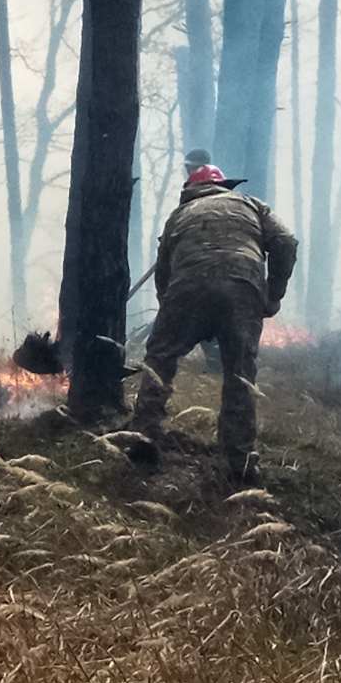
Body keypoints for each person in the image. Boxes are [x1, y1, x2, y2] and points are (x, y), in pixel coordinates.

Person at [130, 163, 298, 484]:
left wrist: (174, 316)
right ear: (224, 187)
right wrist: (273, 294)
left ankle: (144, 438)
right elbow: (286, 242)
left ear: (190, 191)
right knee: (240, 373)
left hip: (187, 286)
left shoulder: (180, 216)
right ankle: (240, 461)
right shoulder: (251, 205)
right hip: (242, 287)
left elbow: (163, 276)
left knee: (159, 360)